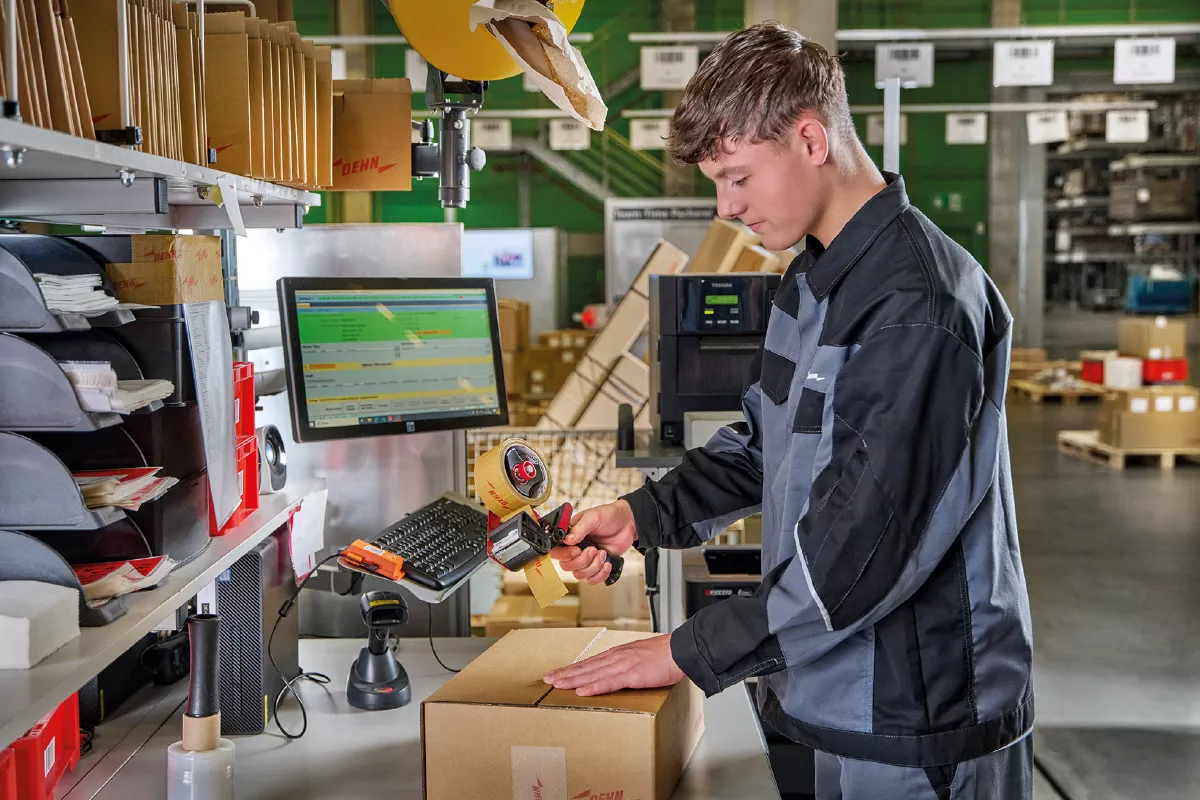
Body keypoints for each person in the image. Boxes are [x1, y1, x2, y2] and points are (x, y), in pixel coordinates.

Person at [543, 21, 1034, 800]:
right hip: (825, 691)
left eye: (737, 176)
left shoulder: (915, 304)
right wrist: (643, 514)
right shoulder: (813, 283)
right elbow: (767, 442)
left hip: (915, 720)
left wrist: (686, 651)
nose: (726, 208)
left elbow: (858, 551)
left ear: (810, 139)